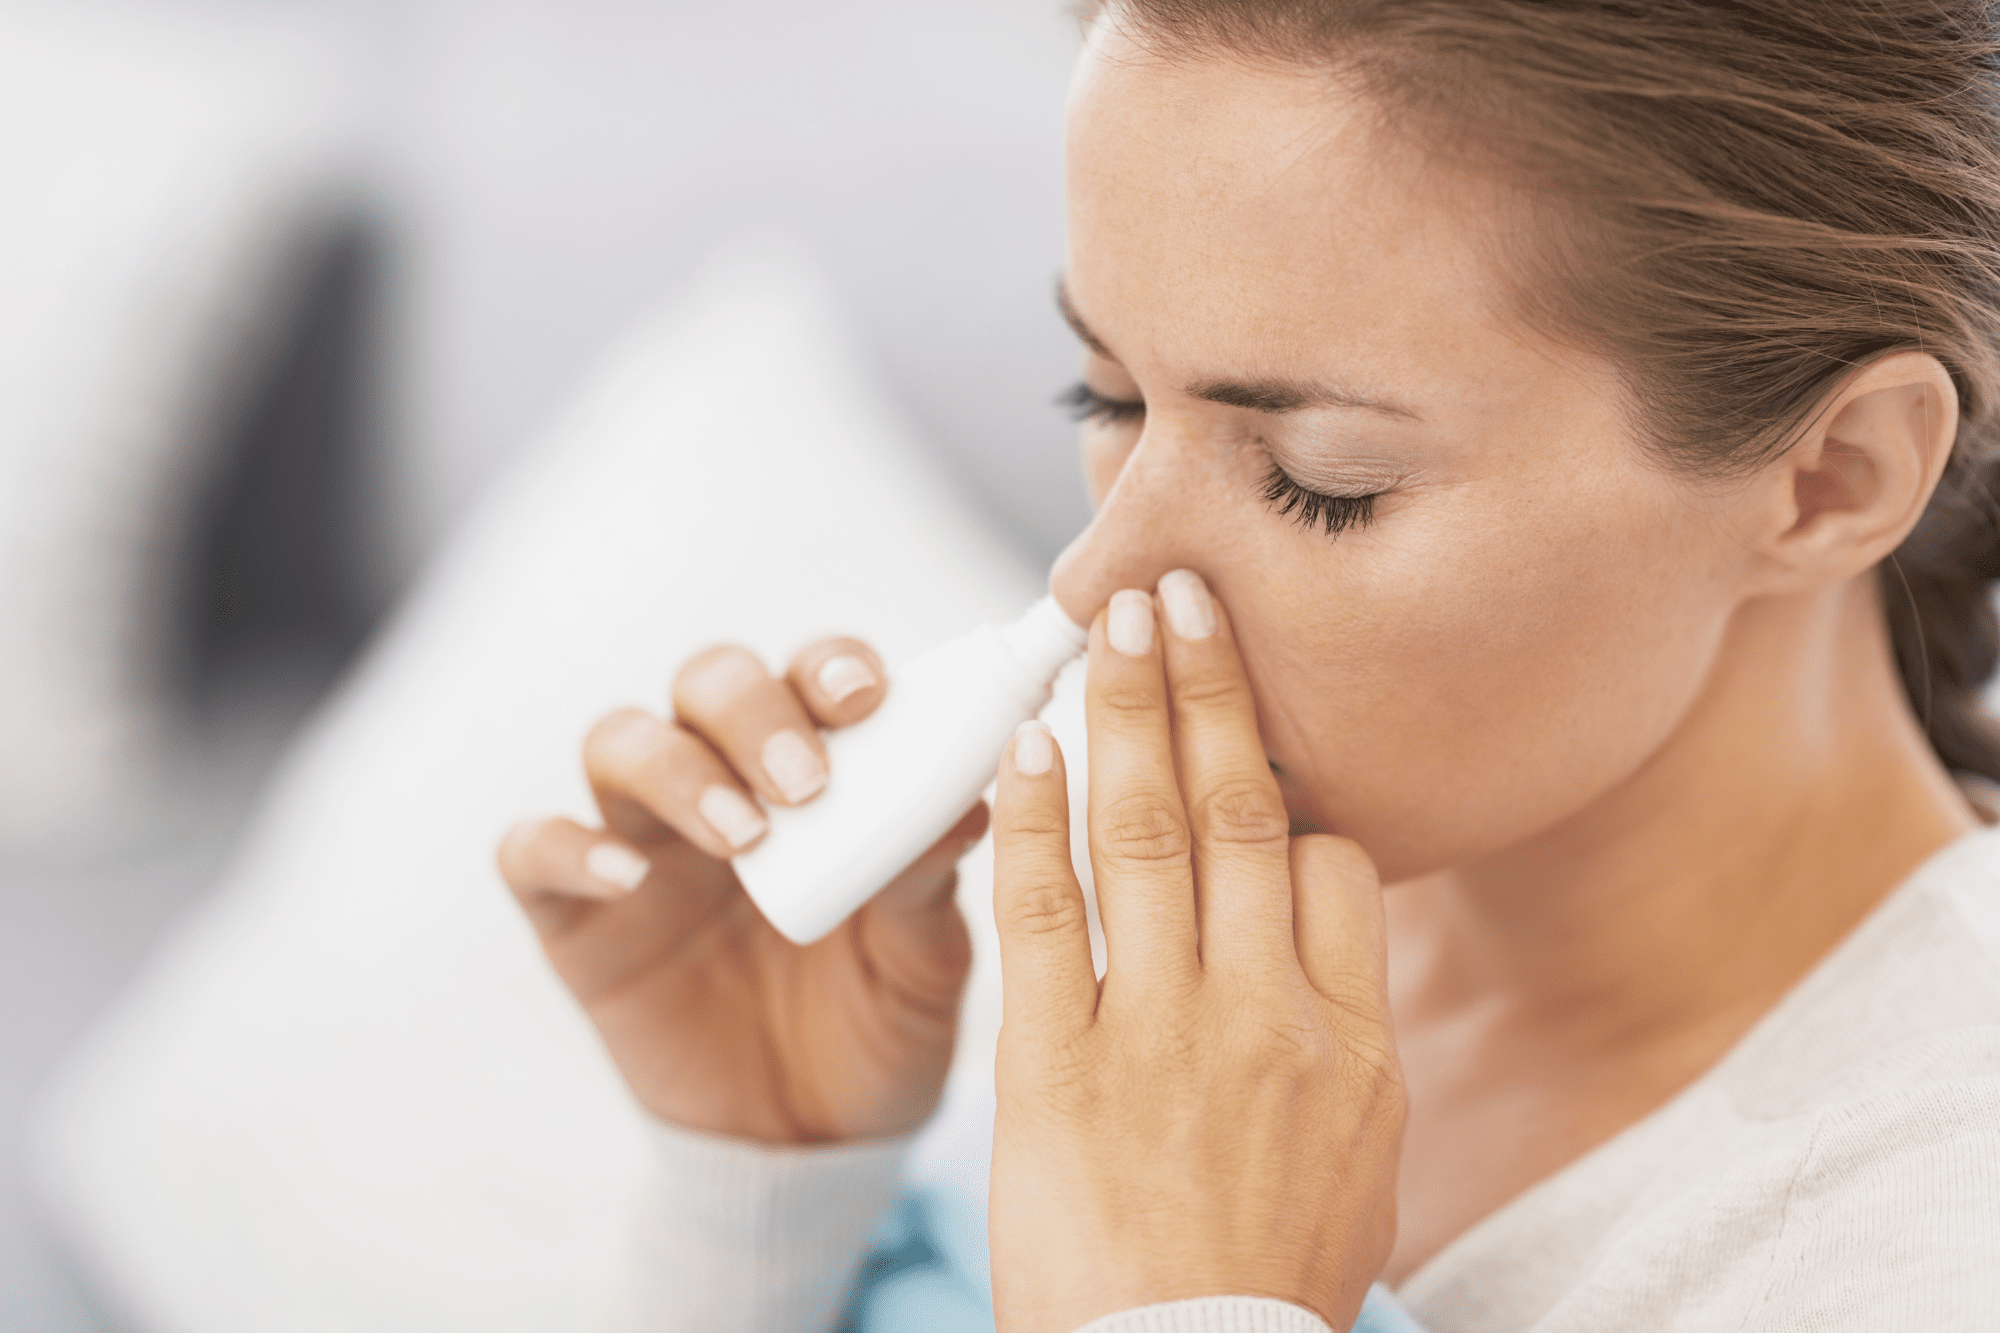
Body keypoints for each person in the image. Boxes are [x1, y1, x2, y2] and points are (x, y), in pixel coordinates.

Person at [495, 1, 2000, 1328]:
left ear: (1836, 478)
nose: (1094, 580)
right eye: (1108, 398)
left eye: (1318, 478)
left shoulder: (1931, 1238)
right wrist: (760, 1206)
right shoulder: (1145, 953)